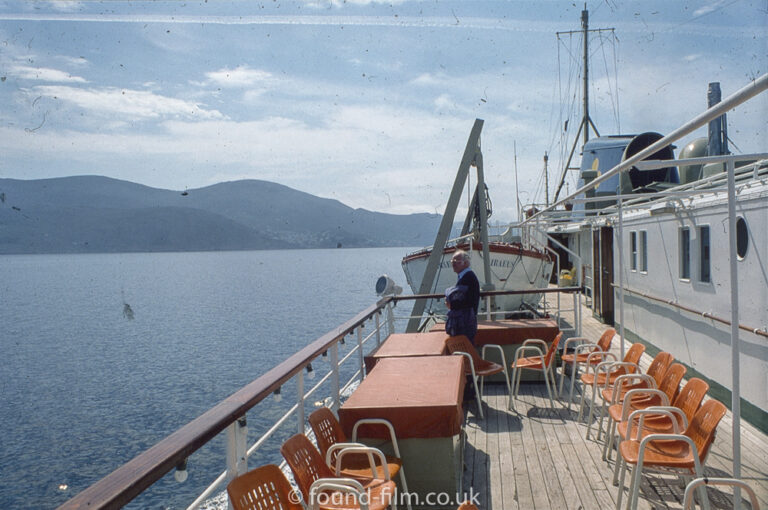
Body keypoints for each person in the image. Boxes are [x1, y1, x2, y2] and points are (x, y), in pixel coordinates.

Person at [444, 249, 480, 344]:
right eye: (452, 261)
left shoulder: (468, 278)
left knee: (465, 345)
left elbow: (468, 300)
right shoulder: (466, 276)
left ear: (465, 263)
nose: (453, 264)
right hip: (465, 319)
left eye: (456, 262)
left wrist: (451, 304)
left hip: (466, 321)